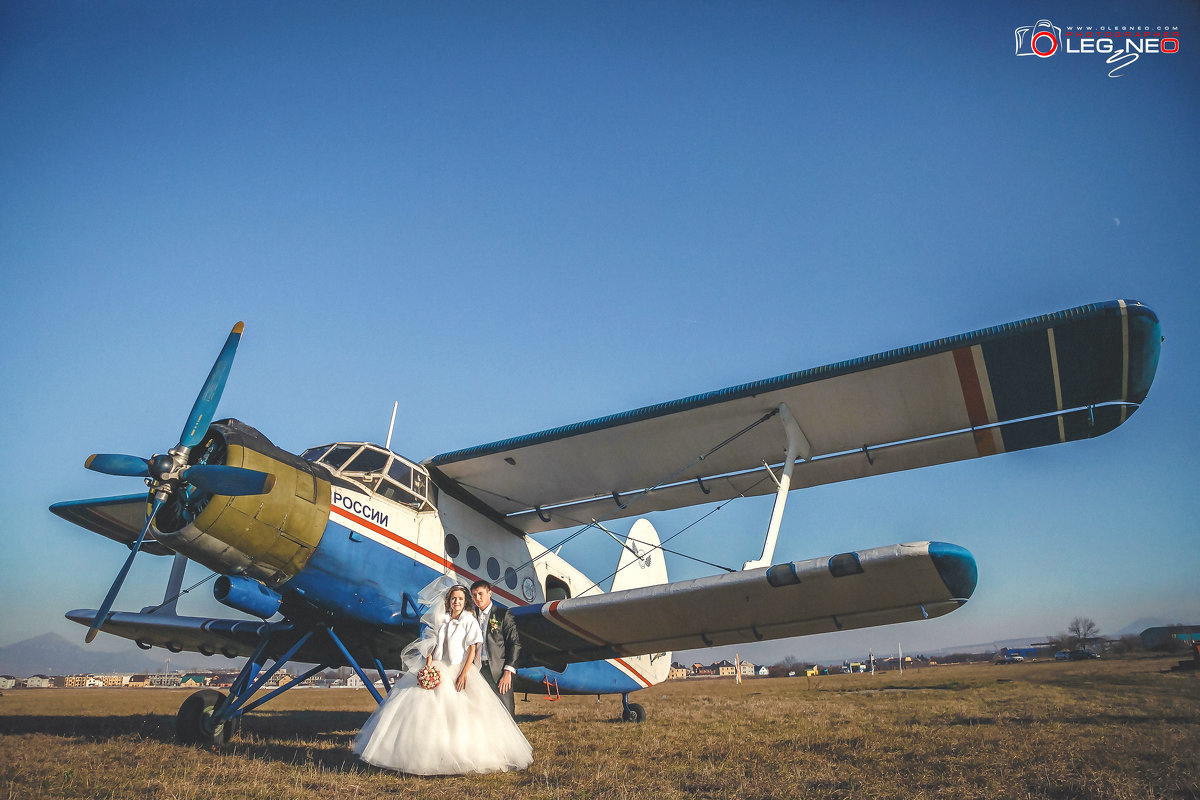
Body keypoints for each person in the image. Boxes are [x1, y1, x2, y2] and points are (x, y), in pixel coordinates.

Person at [352, 578, 532, 775]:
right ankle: (418, 754)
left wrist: (472, 672)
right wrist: (428, 668)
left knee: (478, 713)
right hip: (439, 667)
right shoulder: (443, 620)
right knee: (423, 712)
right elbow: (433, 645)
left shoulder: (479, 618)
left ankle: (494, 751)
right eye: (454, 598)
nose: (457, 602)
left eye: (462, 599)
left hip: (466, 669)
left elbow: (477, 649)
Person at [471, 579, 521, 716]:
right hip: (477, 670)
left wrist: (508, 672)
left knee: (505, 712)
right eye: (474, 595)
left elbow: (514, 643)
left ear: (490, 593)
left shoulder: (503, 614)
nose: (477, 598)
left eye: (480, 593)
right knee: (480, 711)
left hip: (499, 672)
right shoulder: (471, 616)